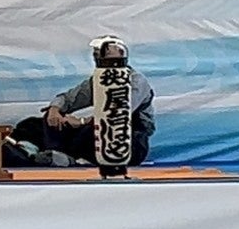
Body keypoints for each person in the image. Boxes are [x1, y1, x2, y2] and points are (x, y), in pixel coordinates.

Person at [42, 36, 155, 166]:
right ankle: (57, 156)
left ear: (121, 53)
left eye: (104, 53)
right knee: (49, 118)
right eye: (96, 54)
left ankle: (73, 159)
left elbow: (118, 112)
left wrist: (81, 121)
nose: (98, 57)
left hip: (130, 138)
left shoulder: (136, 81)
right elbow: (69, 98)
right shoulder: (98, 80)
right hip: (98, 132)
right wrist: (54, 110)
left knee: (97, 128)